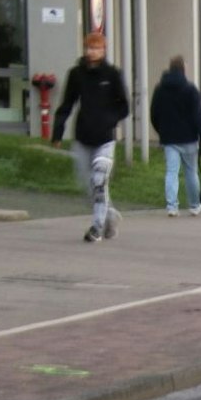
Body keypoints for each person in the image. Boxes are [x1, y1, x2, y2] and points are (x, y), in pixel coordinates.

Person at [51, 32, 129, 243]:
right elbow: (66, 104)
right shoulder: (76, 74)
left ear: (103, 51)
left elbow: (124, 106)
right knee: (89, 187)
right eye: (88, 48)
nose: (91, 52)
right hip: (83, 137)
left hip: (105, 139)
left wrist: (109, 120)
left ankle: (96, 228)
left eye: (96, 48)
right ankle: (109, 216)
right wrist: (57, 132)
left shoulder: (112, 74)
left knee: (99, 181)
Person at [149, 54, 201, 217]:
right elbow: (198, 116)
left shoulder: (159, 89)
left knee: (171, 172)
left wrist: (161, 130)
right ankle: (194, 204)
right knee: (191, 172)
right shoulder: (191, 89)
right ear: (184, 69)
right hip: (189, 137)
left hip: (169, 138)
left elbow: (154, 114)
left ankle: (172, 206)